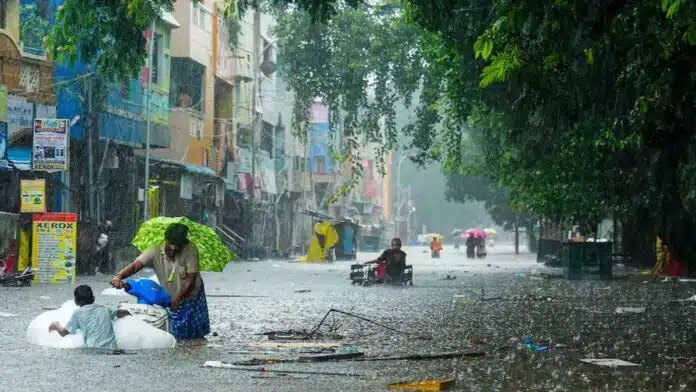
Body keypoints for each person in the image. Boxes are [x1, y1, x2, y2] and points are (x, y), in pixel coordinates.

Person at [110, 223, 210, 340]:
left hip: (191, 292)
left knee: (195, 331)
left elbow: (190, 278)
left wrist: (178, 298)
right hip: (171, 293)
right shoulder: (154, 250)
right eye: (171, 243)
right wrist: (119, 277)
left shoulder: (190, 249)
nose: (173, 248)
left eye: (178, 245)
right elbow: (135, 266)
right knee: (175, 330)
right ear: (166, 240)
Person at [48, 285, 129, 349]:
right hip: (113, 349)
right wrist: (129, 312)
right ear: (93, 298)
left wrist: (56, 325)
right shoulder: (104, 308)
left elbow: (64, 333)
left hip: (94, 350)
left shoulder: (78, 313)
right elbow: (118, 313)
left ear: (76, 302)